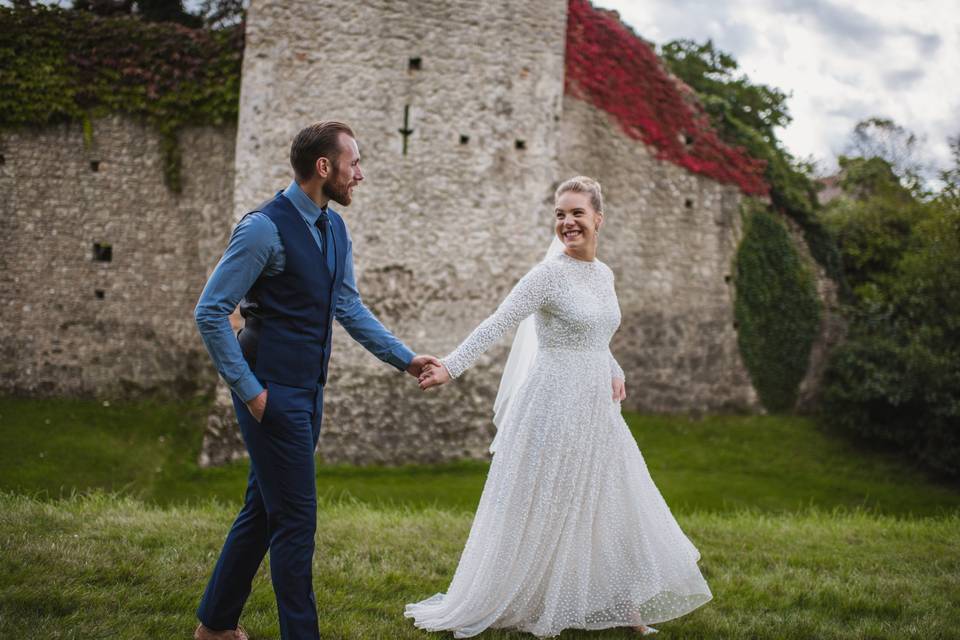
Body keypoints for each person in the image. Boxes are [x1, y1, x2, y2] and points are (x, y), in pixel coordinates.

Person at [406, 176, 712, 638]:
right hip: (553, 400)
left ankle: (627, 607)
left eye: (577, 213)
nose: (567, 223)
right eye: (560, 214)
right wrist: (451, 366)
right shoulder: (546, 276)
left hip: (596, 405)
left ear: (598, 219)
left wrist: (615, 369)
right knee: (549, 500)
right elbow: (498, 323)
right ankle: (532, 597)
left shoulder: (604, 274)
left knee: (611, 499)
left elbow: (597, 333)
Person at [192, 121, 440, 640]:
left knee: (264, 507)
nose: (361, 175)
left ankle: (214, 625)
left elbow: (347, 304)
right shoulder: (262, 228)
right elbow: (211, 311)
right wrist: (252, 393)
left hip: (309, 391)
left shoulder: (333, 226)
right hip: (272, 393)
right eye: (354, 164)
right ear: (324, 167)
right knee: (296, 524)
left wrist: (405, 358)